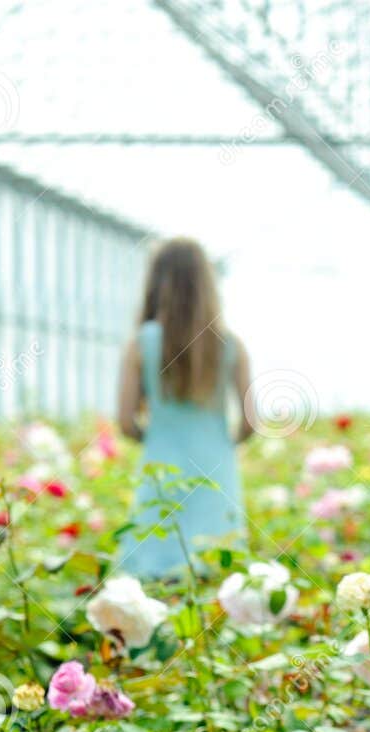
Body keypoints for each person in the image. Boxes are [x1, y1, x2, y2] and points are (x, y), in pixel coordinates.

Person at [113, 237, 254, 580]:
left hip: (160, 466)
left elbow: (125, 422)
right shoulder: (230, 343)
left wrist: (158, 437)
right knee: (215, 567)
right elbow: (252, 421)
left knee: (153, 568)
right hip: (215, 466)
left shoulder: (141, 343)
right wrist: (223, 441)